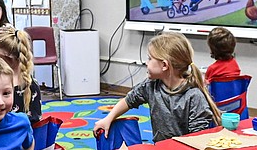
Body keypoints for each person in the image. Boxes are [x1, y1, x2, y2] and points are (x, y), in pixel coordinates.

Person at [93, 31, 221, 142]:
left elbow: (197, 138)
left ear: (164, 65)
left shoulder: (193, 96)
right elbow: (128, 100)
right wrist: (108, 118)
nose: (146, 63)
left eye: (149, 59)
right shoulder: (150, 86)